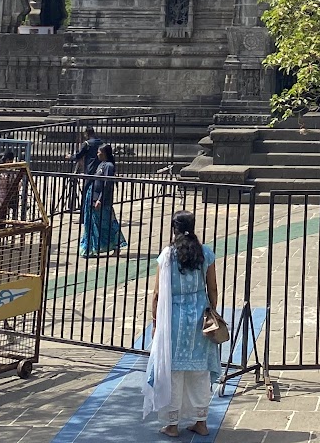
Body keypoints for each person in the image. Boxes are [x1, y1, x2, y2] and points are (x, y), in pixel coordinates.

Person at [143, 211, 224, 435]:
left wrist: (155, 322)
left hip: (174, 319)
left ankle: (172, 424)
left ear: (174, 228)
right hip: (200, 317)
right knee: (200, 371)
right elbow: (212, 287)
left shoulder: (168, 255)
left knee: (174, 371)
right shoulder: (205, 253)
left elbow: (157, 293)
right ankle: (201, 421)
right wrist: (212, 310)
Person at [79, 144, 125, 257]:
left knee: (107, 223)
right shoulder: (101, 164)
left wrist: (100, 199)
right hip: (93, 197)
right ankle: (91, 247)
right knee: (93, 224)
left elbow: (107, 184)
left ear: (104, 153)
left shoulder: (109, 166)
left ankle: (116, 245)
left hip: (102, 201)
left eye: (99, 152)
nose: (97, 154)